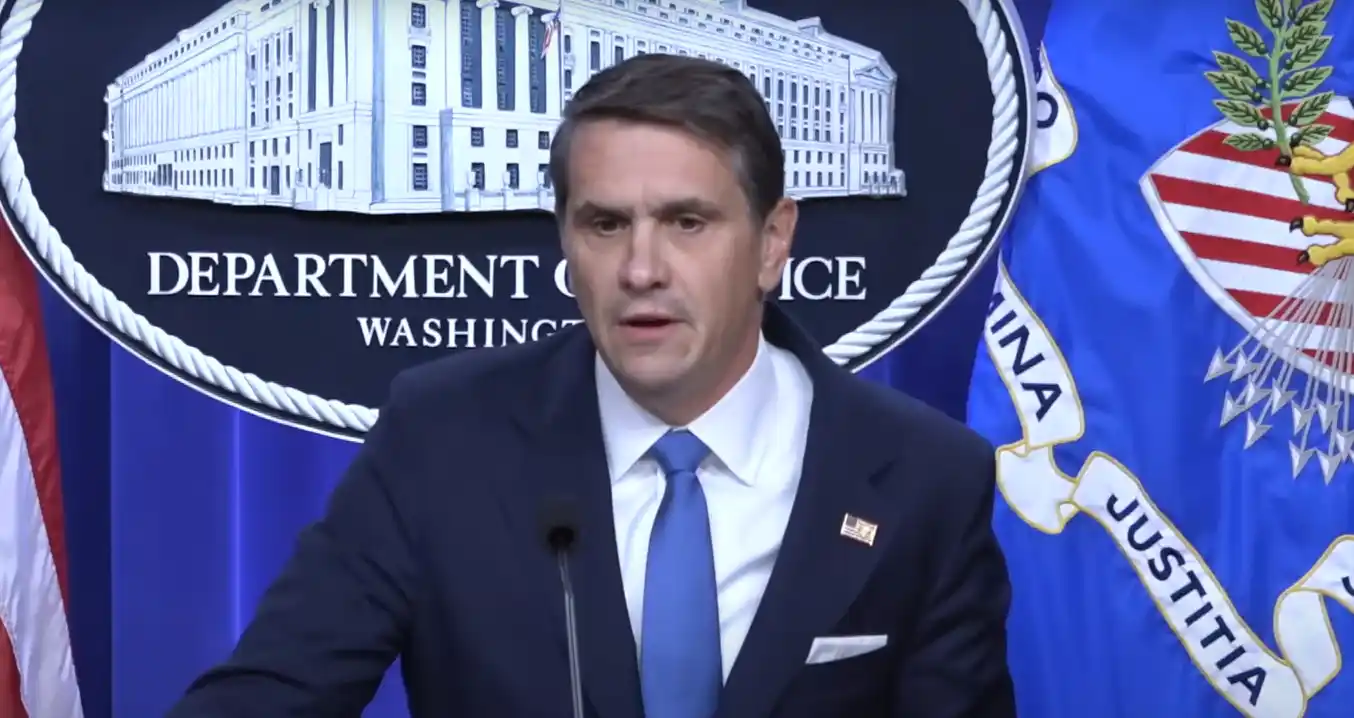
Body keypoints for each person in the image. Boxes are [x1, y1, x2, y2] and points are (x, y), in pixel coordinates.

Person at [164, 53, 1015, 718]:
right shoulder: (443, 440)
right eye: (606, 225)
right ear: (567, 243)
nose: (641, 269)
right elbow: (270, 696)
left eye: (688, 222)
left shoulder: (923, 478)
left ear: (771, 241)